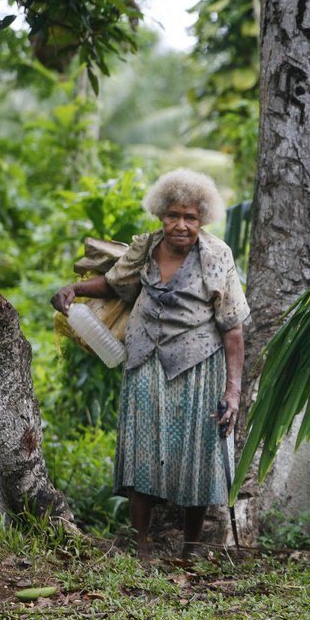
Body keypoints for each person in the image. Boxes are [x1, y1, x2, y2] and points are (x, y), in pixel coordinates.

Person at [51, 168, 249, 560]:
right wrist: (74, 288)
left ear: (201, 219)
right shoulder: (145, 246)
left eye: (189, 218)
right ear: (161, 214)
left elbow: (233, 329)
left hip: (197, 367)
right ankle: (142, 544)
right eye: (173, 215)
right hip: (145, 362)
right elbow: (115, 283)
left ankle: (190, 549)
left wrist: (233, 391)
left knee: (197, 456)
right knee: (142, 452)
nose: (180, 225)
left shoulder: (216, 255)